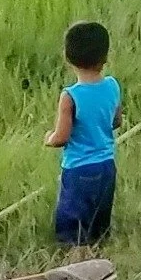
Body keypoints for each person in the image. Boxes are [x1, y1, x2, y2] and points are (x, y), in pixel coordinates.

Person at [45, 21, 121, 245]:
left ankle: (74, 259)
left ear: (68, 57)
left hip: (78, 170)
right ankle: (99, 253)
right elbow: (116, 121)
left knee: (73, 225)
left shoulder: (70, 96)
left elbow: (62, 137)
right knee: (100, 219)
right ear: (105, 56)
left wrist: (49, 138)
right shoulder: (112, 85)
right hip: (107, 166)